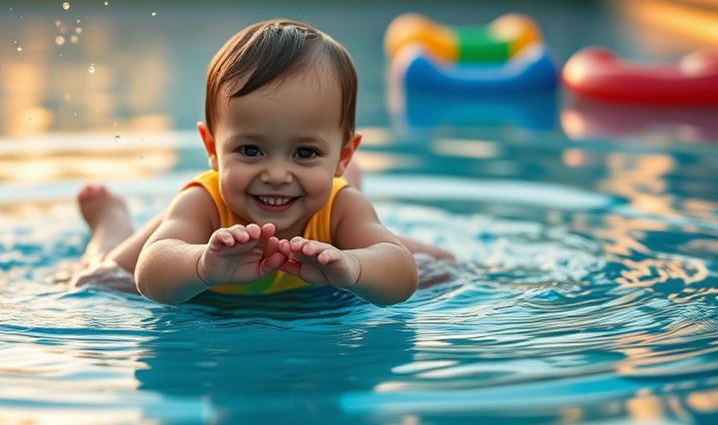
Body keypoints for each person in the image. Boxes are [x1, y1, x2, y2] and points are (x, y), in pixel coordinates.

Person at [75, 19, 451, 306]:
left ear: (342, 155)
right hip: (206, 224)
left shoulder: (341, 207)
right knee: (101, 277)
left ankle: (348, 191)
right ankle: (110, 219)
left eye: (305, 153)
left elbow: (402, 274)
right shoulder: (204, 205)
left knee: (443, 265)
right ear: (212, 148)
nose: (275, 174)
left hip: (330, 204)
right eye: (251, 150)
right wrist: (202, 264)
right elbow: (150, 270)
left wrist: (354, 266)